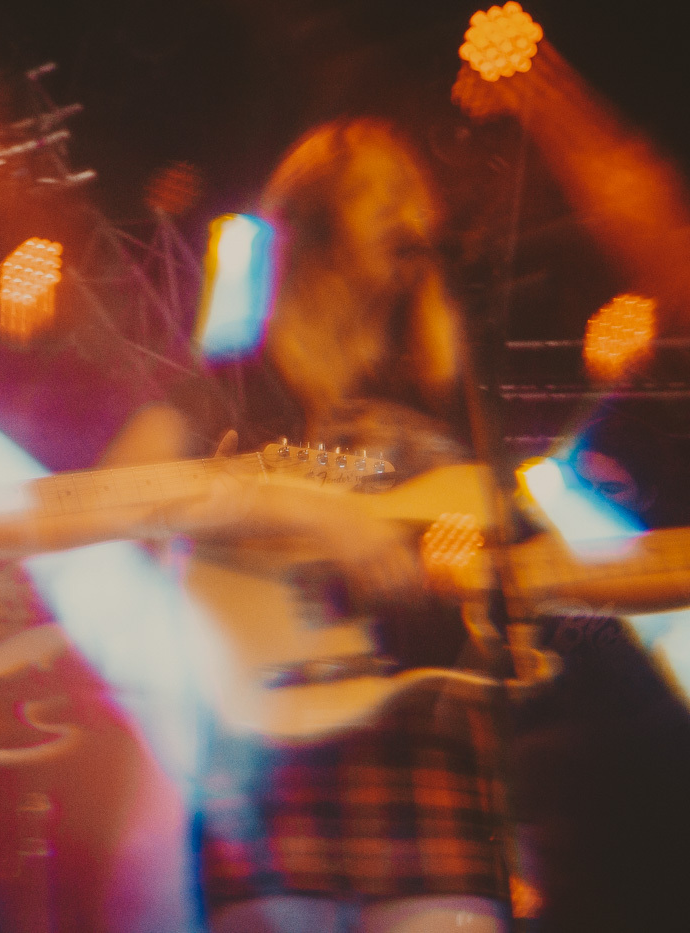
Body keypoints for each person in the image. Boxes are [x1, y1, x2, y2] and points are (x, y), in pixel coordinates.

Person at [106, 118, 513, 933]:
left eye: (415, 198)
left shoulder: (446, 389)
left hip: (422, 741)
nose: (412, 217)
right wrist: (308, 514)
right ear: (316, 223)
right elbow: (117, 494)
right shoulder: (233, 380)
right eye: (381, 196)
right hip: (267, 753)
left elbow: (516, 547)